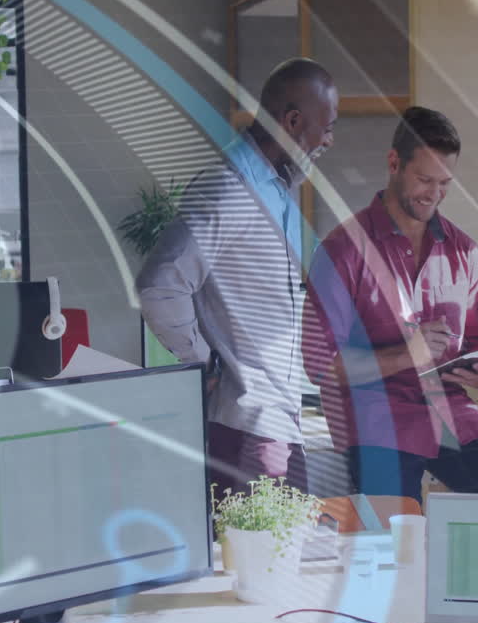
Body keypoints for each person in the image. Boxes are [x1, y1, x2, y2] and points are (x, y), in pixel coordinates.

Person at [302, 106, 478, 503]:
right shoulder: (341, 251)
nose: (434, 194)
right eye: (424, 180)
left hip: (450, 414)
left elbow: (473, 345)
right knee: (398, 545)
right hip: (375, 423)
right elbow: (320, 366)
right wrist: (406, 355)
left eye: (445, 183)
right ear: (394, 163)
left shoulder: (463, 250)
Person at [137, 57, 337, 497]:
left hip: (275, 423)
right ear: (293, 120)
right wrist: (204, 359)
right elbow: (160, 285)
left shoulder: (271, 188)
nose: (330, 138)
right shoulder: (230, 188)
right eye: (326, 125)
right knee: (264, 561)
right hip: (251, 428)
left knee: (280, 557)